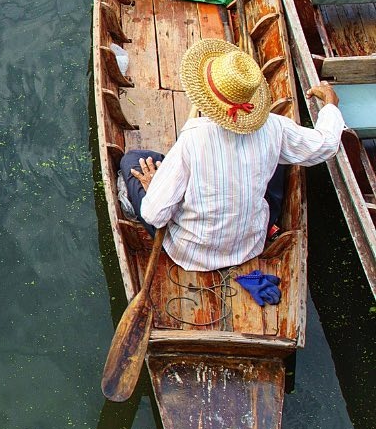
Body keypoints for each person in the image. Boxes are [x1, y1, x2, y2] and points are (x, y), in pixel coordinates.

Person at [120, 38, 344, 272]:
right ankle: (268, 224)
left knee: (133, 160)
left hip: (190, 252)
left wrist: (153, 185)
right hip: (248, 246)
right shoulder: (275, 127)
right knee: (281, 158)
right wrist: (330, 104)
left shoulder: (193, 138)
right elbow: (326, 145)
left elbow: (153, 214)